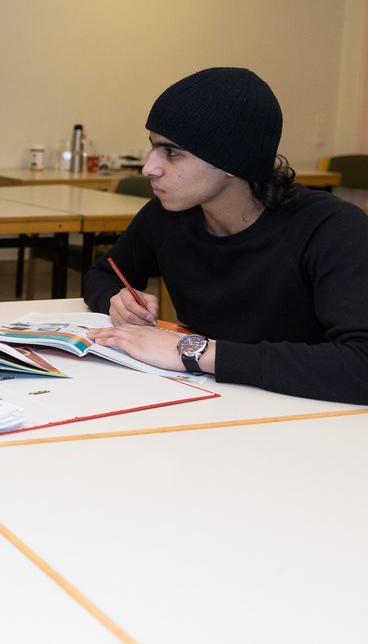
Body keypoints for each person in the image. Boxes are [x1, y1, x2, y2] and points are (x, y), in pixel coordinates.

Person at [83, 67, 368, 404]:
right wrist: (118, 301)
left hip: (315, 421)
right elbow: (102, 273)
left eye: (171, 152)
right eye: (152, 148)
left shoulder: (331, 228)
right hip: (217, 402)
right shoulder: (167, 216)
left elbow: (360, 365)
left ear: (234, 161)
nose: (149, 168)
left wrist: (195, 353)